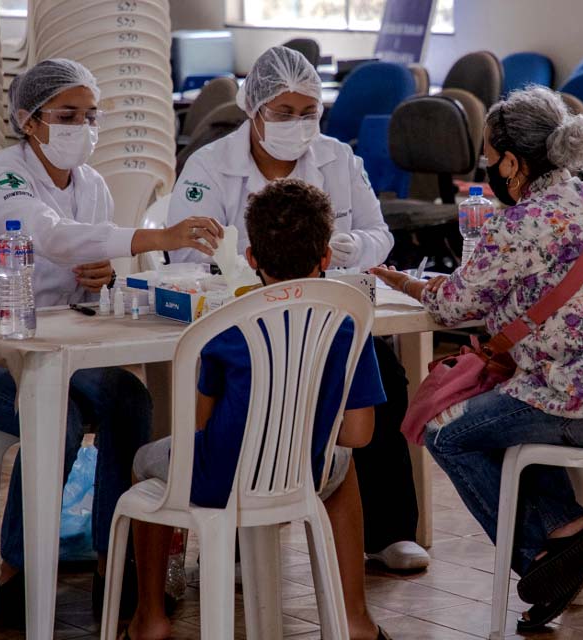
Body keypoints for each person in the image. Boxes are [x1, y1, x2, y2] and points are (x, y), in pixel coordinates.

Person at [372, 87, 583, 631]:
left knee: (445, 430)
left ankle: (539, 560)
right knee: (499, 417)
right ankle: (568, 528)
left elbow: (455, 305)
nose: (488, 169)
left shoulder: (523, 221)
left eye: (490, 159)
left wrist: (407, 282)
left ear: (513, 162)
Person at [0, 59, 223, 627]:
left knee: (130, 398)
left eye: (90, 116)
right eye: (66, 115)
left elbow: (84, 264)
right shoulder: (2, 176)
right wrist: (155, 236)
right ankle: (18, 568)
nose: (81, 128)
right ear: (28, 120)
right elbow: (49, 236)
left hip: (63, 347)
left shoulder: (93, 186)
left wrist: (106, 277)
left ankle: (119, 563)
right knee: (54, 418)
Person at [169, 46, 429, 570]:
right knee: (245, 392)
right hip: (243, 325)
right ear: (253, 109)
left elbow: (380, 234)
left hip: (327, 319)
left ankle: (388, 532)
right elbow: (183, 252)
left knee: (388, 379)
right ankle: (240, 542)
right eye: (283, 113)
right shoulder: (210, 166)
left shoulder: (338, 158)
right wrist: (242, 268)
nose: (298, 123)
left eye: (308, 111)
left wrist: (349, 246)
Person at [128, 178, 391, 640]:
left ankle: (151, 616)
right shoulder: (348, 322)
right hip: (301, 477)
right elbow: (359, 434)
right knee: (343, 469)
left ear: (250, 259)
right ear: (326, 257)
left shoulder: (226, 326)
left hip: (218, 480)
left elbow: (203, 425)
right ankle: (355, 618)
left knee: (144, 464)